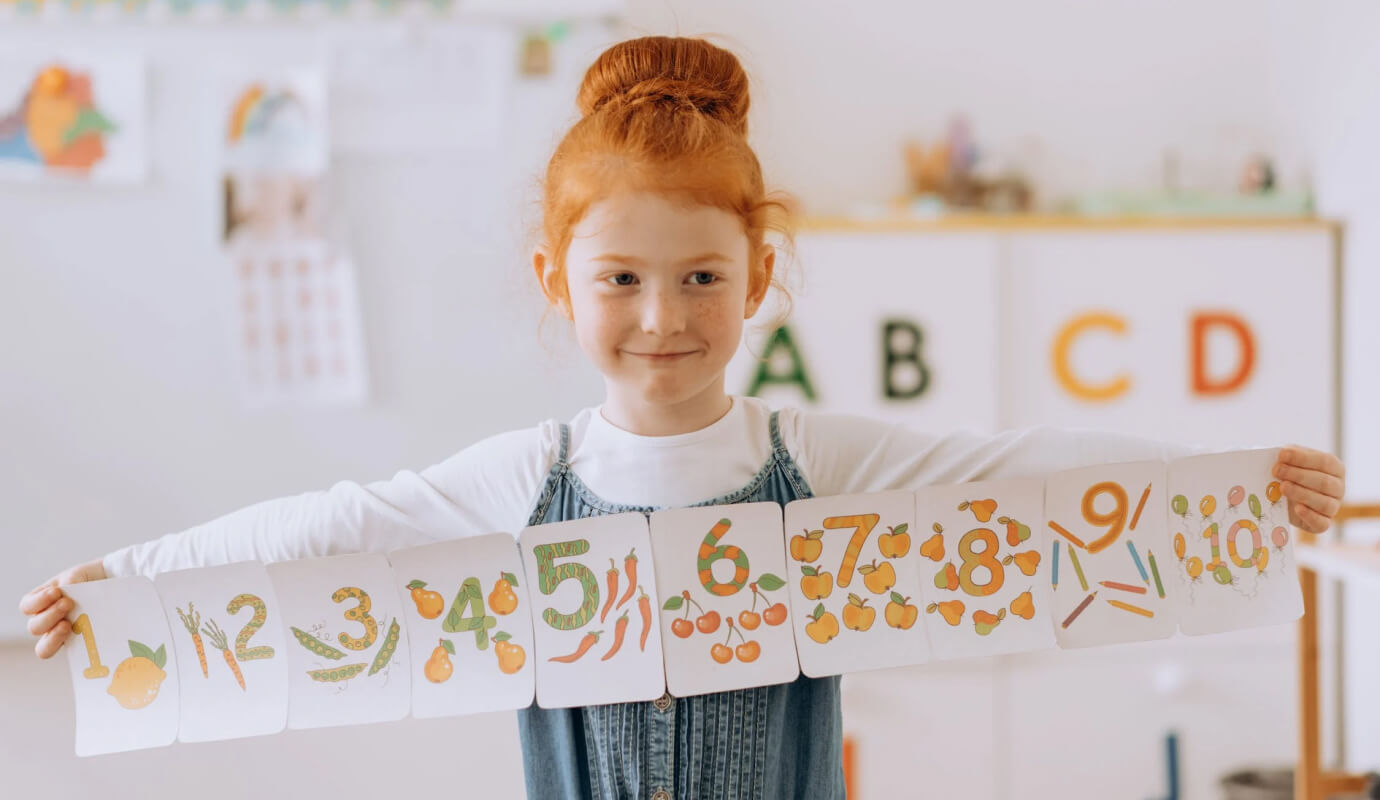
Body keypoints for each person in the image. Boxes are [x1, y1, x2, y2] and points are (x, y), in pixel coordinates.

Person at [17, 36, 1347, 800]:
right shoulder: (527, 477)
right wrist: (125, 582)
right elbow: (336, 529)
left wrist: (1233, 488)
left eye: (703, 276)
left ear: (757, 277)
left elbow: (1007, 470)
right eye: (623, 280)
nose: (664, 315)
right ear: (561, 283)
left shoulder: (808, 459)